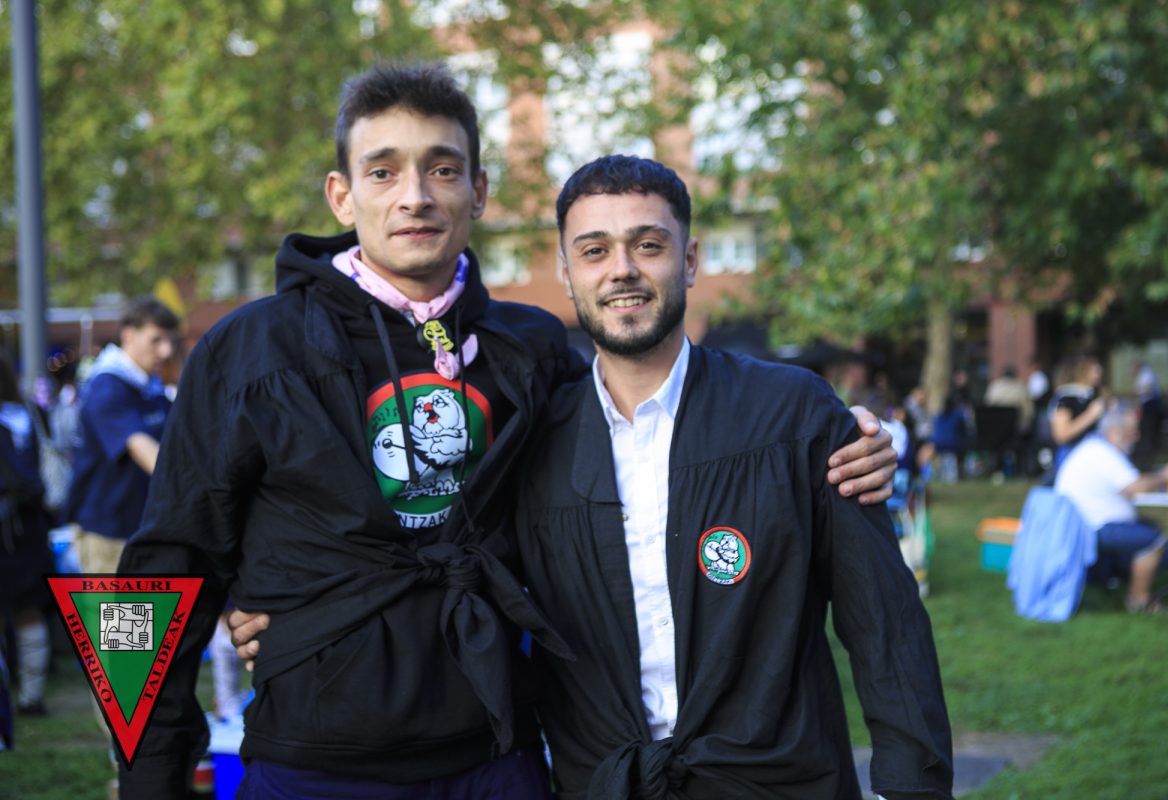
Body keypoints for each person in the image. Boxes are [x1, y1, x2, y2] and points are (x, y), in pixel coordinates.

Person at [121, 64, 896, 800]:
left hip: (498, 758)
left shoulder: (532, 350)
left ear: (480, 190)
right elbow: (160, 568)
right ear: (341, 196)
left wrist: (843, 435)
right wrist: (152, 778)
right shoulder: (250, 350)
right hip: (314, 763)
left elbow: (649, 443)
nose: (415, 197)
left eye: (443, 169)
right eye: (383, 171)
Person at [512, 156, 952, 797]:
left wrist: (911, 787)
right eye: (594, 250)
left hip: (777, 783)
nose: (622, 269)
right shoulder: (535, 443)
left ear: (690, 260)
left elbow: (885, 624)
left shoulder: (791, 415)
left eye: (648, 245)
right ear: (566, 272)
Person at [66, 297, 179, 575]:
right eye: (156, 340)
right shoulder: (107, 388)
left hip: (142, 528)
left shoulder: (150, 387)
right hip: (110, 536)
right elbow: (151, 456)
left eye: (170, 340)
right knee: (120, 608)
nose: (166, 350)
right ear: (129, 336)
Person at [1054, 403, 1168, 612]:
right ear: (1114, 433)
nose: (1137, 436)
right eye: (1132, 431)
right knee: (1153, 539)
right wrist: (1164, 476)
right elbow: (1135, 487)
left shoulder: (1095, 449)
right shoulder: (1104, 454)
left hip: (1084, 523)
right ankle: (1138, 599)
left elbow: (1128, 484)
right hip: (1094, 527)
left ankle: (1126, 579)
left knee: (1151, 526)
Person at [0, 352, 55, 717]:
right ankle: (31, 697)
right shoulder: (28, 414)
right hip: (31, 527)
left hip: (8, 528)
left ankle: (7, 703)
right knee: (29, 614)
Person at [1047, 353, 1106, 470]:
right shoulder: (1067, 397)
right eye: (1093, 366)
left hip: (1093, 452)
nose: (1099, 369)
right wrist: (1090, 415)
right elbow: (1061, 434)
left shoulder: (1090, 395)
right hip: (1073, 455)